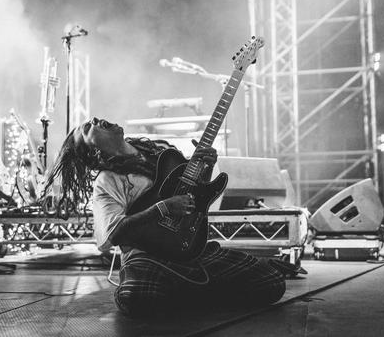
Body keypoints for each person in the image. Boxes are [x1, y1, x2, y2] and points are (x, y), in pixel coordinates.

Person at [44, 117, 290, 316]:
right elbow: (111, 235)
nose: (96, 119)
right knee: (137, 298)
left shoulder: (161, 152)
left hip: (191, 250)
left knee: (272, 283)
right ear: (93, 152)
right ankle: (204, 291)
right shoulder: (107, 182)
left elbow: (195, 196)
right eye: (88, 127)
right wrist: (161, 209)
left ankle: (184, 293)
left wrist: (204, 167)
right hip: (147, 258)